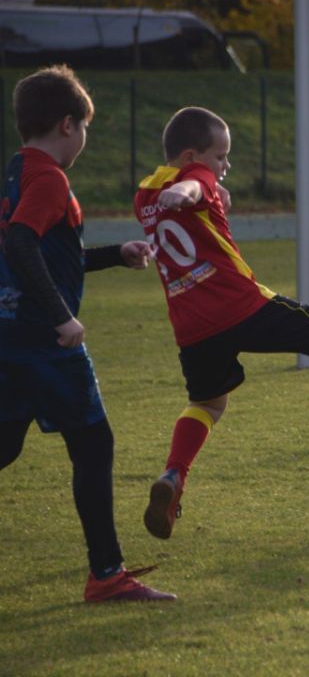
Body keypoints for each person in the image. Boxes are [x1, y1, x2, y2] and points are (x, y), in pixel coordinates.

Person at [135, 106, 309, 541]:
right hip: (240, 305)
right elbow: (195, 185)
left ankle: (173, 475)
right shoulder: (193, 179)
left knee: (208, 404)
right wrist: (190, 188)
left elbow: (196, 195)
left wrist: (202, 190)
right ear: (191, 156)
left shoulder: (144, 195)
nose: (225, 165)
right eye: (221, 157)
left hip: (191, 326)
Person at [0, 65, 175, 602]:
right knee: (95, 446)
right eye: (86, 127)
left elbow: (48, 254)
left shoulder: (18, 169)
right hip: (45, 343)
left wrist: (115, 255)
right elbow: (21, 244)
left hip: (11, 335)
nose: (85, 137)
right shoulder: (50, 178)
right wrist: (62, 318)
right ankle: (106, 575)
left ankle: (107, 574)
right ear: (68, 124)